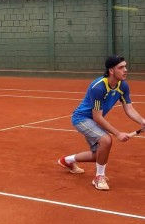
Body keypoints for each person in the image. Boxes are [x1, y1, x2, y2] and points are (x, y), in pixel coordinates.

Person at [57, 55, 145, 191]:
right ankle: (99, 177)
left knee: (99, 155)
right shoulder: (98, 87)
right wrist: (117, 134)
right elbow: (97, 117)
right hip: (82, 119)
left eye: (125, 66)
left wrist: (142, 121)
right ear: (111, 70)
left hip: (93, 119)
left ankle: (67, 161)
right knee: (106, 140)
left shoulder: (123, 85)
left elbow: (129, 108)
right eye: (121, 67)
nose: (125, 70)